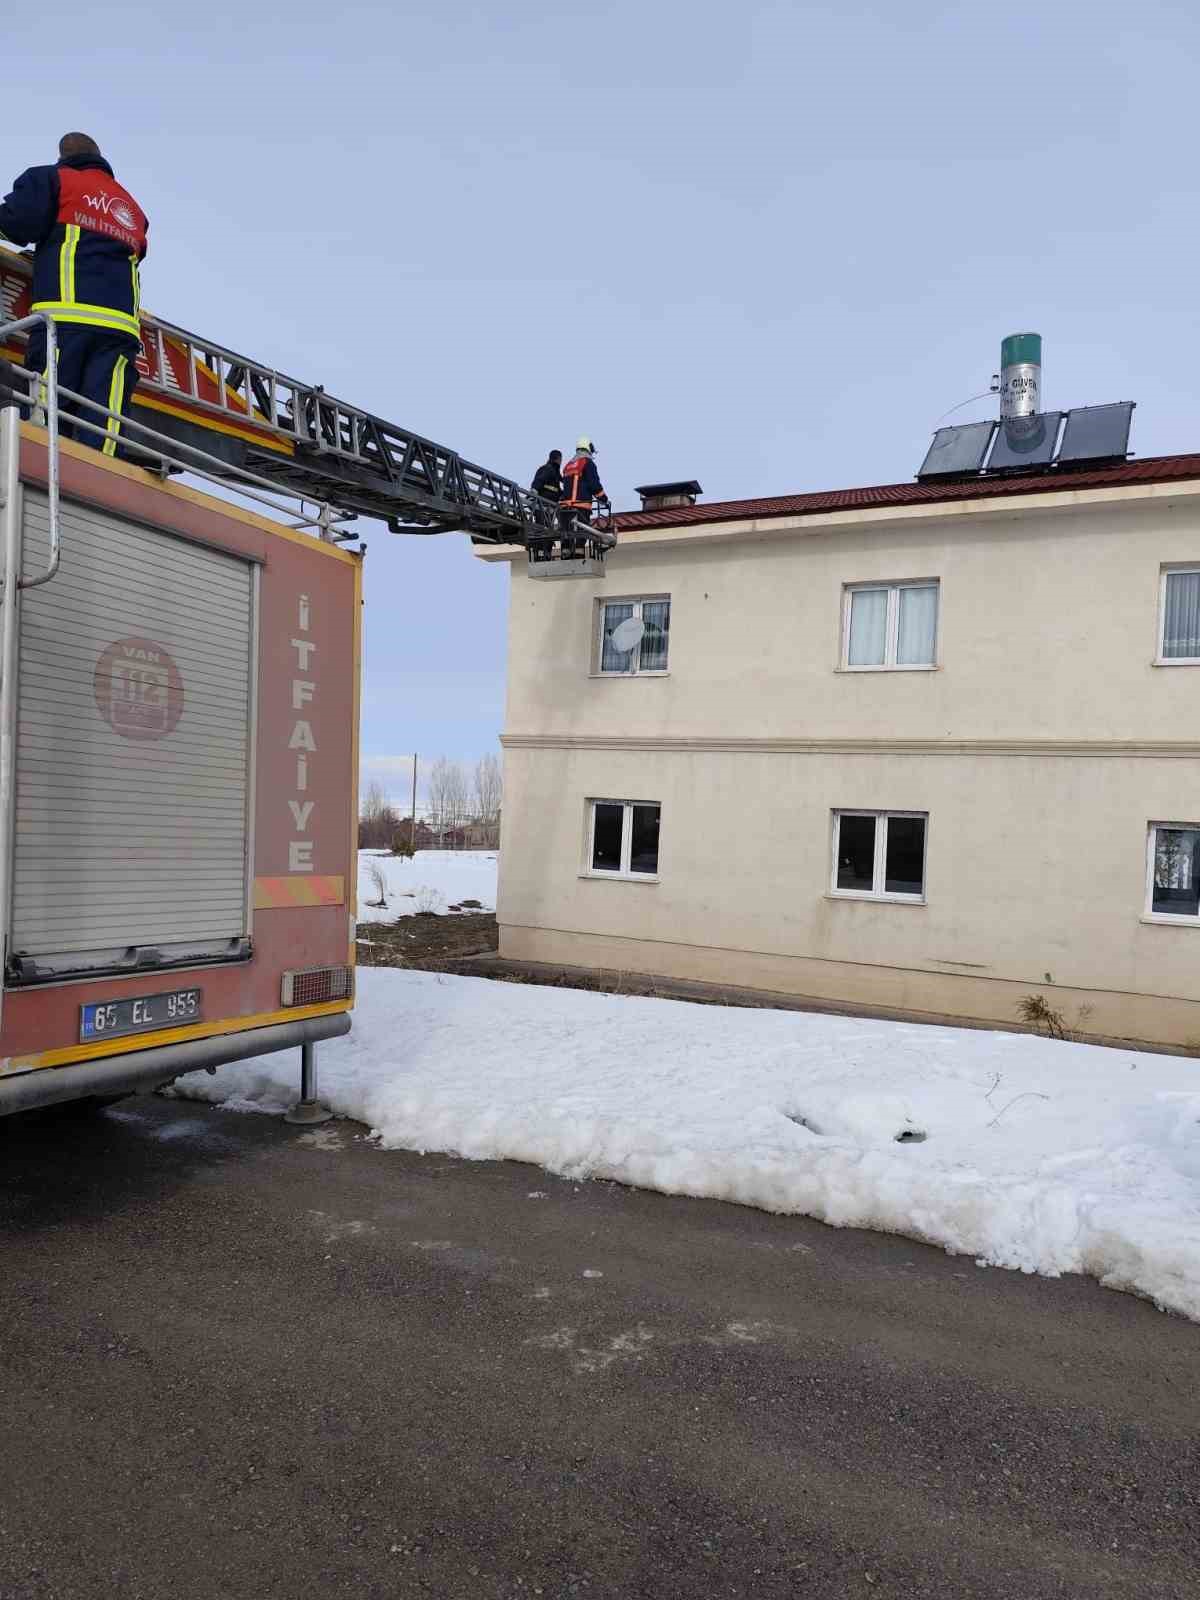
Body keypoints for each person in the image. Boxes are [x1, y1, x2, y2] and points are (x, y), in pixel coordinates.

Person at [0, 133, 148, 457]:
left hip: (65, 322)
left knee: (47, 412)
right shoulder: (131, 208)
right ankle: (101, 487)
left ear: (62, 155)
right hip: (120, 331)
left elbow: (17, 223)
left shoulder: (54, 179)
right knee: (104, 423)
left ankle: (40, 475)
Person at [559, 436, 609, 556]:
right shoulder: (588, 463)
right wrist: (603, 498)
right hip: (581, 506)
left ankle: (565, 552)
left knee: (567, 531)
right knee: (582, 531)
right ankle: (579, 552)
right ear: (588, 448)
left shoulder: (567, 465)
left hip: (565, 507)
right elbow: (594, 484)